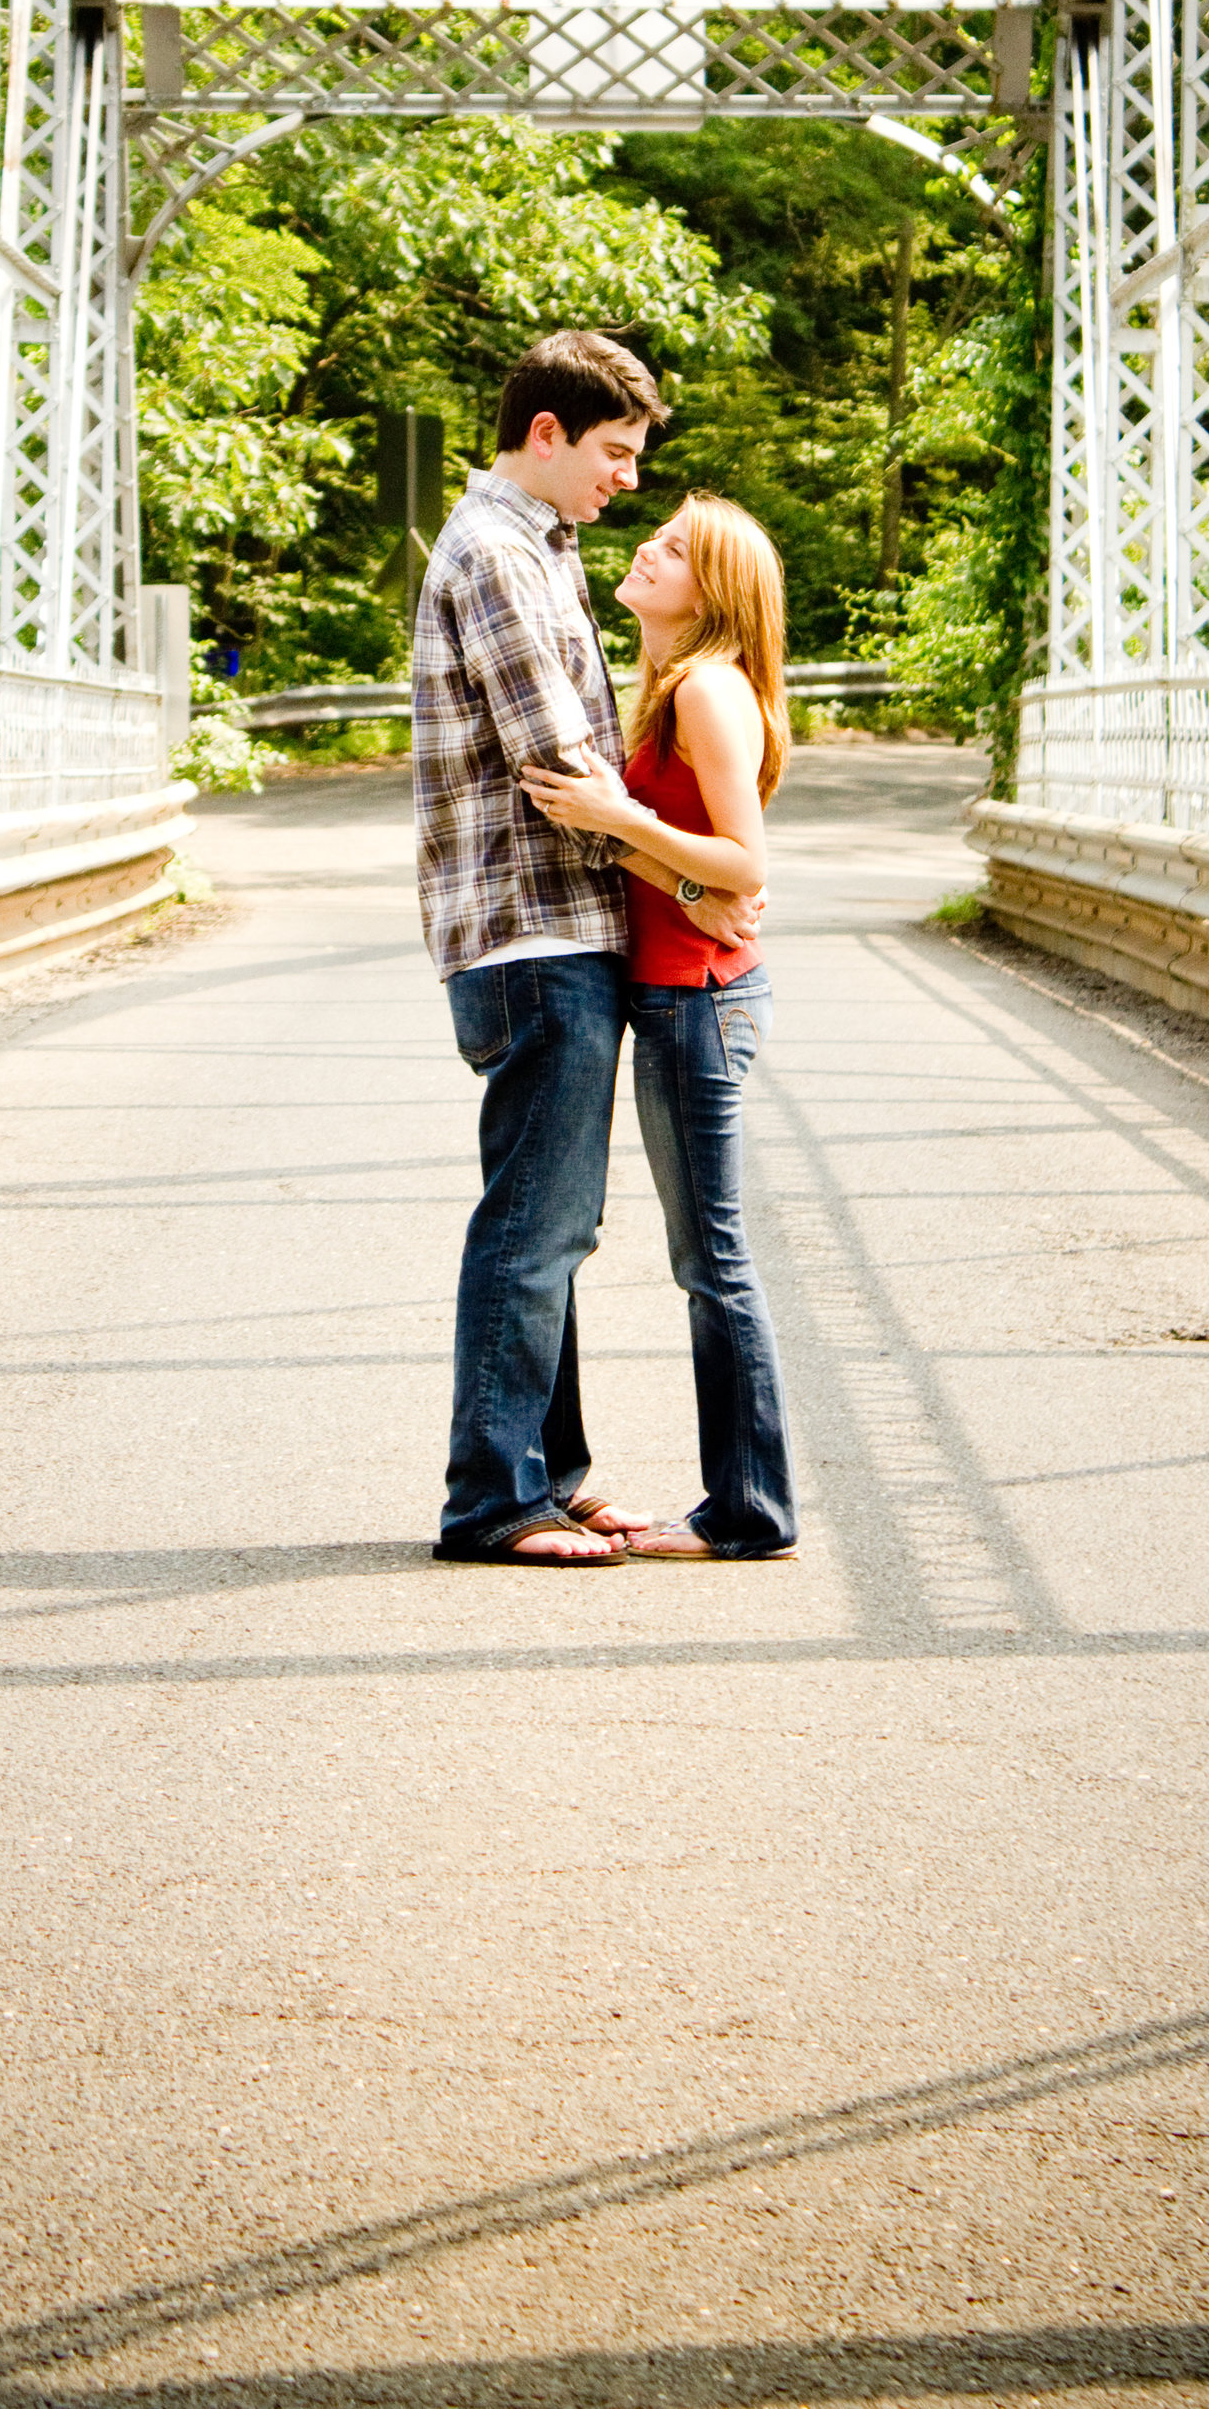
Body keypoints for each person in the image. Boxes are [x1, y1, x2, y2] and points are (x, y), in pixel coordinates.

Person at [415, 333, 762, 1567]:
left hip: (563, 927)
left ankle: (547, 1477)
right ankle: (493, 1502)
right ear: (548, 435)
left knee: (556, 1226)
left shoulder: (543, 549)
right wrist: (688, 878)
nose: (625, 479)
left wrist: (677, 878)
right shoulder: (501, 556)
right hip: (532, 929)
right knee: (532, 1227)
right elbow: (565, 777)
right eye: (614, 453)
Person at [521, 494, 798, 1561]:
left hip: (700, 1001)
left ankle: (748, 1512)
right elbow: (688, 866)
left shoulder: (707, 692)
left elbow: (745, 862)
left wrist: (626, 825)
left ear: (714, 592)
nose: (648, 547)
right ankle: (744, 1503)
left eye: (677, 548)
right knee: (706, 1257)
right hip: (680, 983)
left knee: (712, 1260)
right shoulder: (664, 690)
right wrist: (667, 872)